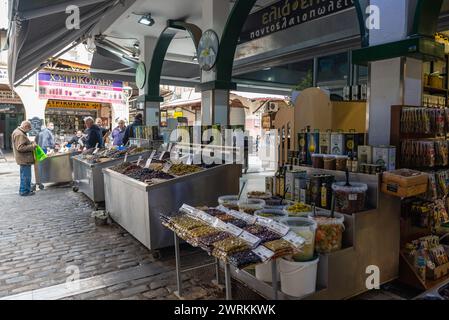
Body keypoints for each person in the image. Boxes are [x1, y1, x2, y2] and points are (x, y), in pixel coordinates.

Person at [11, 121, 37, 196]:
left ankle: (23, 190)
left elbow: (22, 144)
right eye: (29, 129)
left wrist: (30, 142)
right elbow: (20, 148)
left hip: (23, 159)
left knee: (24, 176)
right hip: (25, 159)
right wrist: (33, 146)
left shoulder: (18, 132)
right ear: (25, 127)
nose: (29, 131)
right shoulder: (20, 134)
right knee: (26, 176)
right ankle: (25, 191)